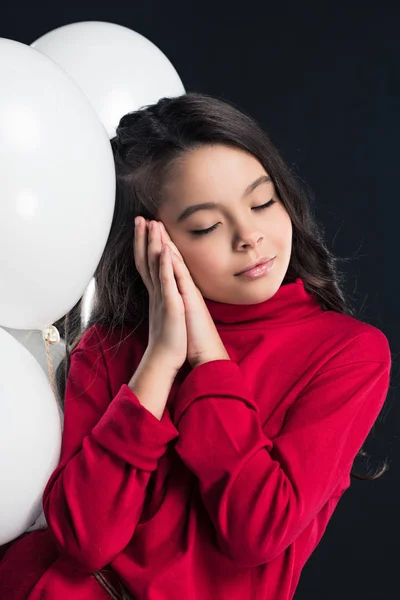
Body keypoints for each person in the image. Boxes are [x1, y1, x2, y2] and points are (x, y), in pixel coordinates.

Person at [0, 92, 392, 600]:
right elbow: (84, 542)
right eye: (207, 226)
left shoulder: (348, 353)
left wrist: (208, 359)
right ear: (152, 243)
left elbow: (257, 531)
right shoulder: (111, 345)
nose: (249, 235)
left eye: (262, 201)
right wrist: (161, 359)